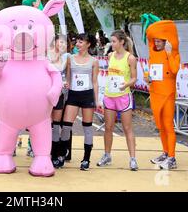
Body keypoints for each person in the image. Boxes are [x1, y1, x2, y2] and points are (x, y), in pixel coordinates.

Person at [141, 14, 180, 170]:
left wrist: (170, 53)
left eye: (159, 41)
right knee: (161, 126)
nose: (156, 43)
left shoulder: (173, 54)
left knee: (168, 126)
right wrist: (147, 78)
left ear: (166, 41)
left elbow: (175, 70)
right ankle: (165, 152)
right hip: (155, 93)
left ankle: (172, 157)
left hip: (168, 95)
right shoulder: (153, 55)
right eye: (155, 41)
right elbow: (152, 73)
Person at [97, 30, 138, 171]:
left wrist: (126, 84)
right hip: (110, 96)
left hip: (123, 96)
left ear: (121, 42)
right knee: (108, 127)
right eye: (111, 41)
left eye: (114, 41)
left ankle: (133, 159)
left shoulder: (130, 58)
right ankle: (107, 155)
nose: (112, 43)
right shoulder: (110, 56)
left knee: (127, 128)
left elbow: (134, 78)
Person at [57, 34, 100, 170]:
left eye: (81, 42)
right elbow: (68, 78)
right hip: (73, 96)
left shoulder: (94, 61)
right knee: (66, 126)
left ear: (88, 44)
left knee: (87, 127)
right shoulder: (71, 59)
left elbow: (95, 82)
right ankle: (62, 155)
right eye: (77, 41)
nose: (78, 44)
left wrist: (96, 100)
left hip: (87, 96)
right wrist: (66, 85)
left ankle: (86, 159)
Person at [48, 35, 70, 168]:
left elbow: (67, 75)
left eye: (65, 43)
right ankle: (42, 151)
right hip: (45, 94)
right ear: (55, 42)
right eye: (60, 41)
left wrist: (67, 83)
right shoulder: (46, 55)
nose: (62, 44)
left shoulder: (66, 57)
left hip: (60, 94)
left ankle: (55, 154)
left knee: (56, 124)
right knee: (46, 124)